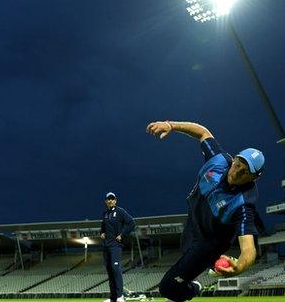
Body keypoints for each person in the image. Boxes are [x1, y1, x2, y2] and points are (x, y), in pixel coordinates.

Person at [146, 121, 265, 302]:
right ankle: (185, 284)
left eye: (245, 171)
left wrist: (240, 265)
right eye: (238, 163)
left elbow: (248, 248)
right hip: (193, 223)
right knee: (180, 271)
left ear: (255, 177)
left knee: (168, 288)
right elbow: (203, 132)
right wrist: (170, 125)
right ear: (235, 158)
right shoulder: (219, 160)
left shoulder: (243, 204)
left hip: (208, 245)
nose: (236, 171)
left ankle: (193, 289)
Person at [100, 192, 136, 302]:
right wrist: (101, 232)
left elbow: (131, 223)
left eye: (112, 199)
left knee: (116, 269)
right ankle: (113, 297)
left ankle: (120, 296)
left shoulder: (120, 211)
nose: (110, 201)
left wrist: (122, 235)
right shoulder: (105, 213)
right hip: (106, 246)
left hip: (115, 246)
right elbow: (103, 226)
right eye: (108, 199)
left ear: (115, 200)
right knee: (110, 271)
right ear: (106, 201)